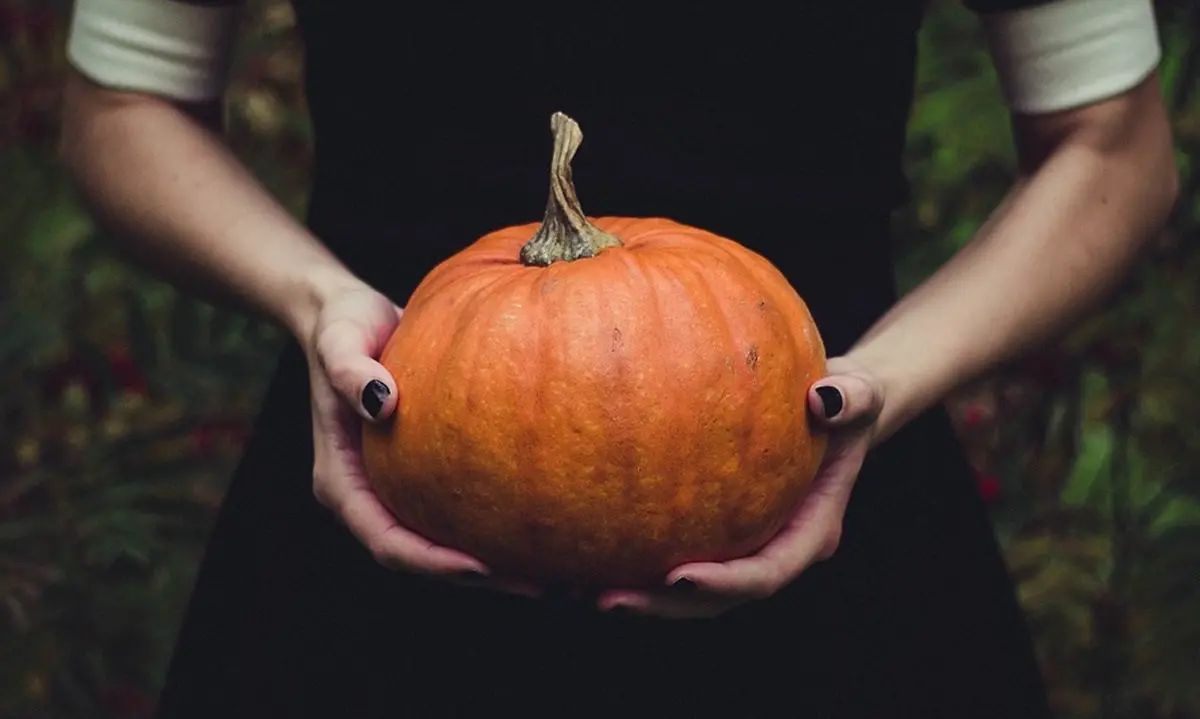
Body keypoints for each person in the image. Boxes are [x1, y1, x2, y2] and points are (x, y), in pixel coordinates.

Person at [58, 0, 1177, 716]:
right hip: (390, 458)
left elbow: (1114, 143)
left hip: (826, 480)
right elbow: (122, 103)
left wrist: (884, 381)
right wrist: (316, 303)